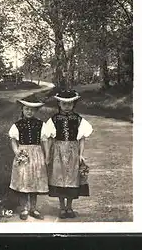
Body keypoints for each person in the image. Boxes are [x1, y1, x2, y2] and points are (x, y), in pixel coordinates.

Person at [43, 89, 93, 219]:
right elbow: (49, 138)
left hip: (72, 151)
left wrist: (81, 154)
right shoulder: (54, 119)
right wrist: (48, 155)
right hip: (58, 151)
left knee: (72, 178)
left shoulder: (78, 119)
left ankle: (69, 207)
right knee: (59, 177)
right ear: (59, 104)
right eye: (64, 104)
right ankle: (61, 207)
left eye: (70, 104)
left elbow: (82, 138)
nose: (67, 106)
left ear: (74, 104)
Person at [8, 95, 49, 220]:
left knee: (34, 180)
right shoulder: (17, 125)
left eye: (32, 109)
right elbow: (13, 140)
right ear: (23, 110)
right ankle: (24, 208)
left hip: (36, 154)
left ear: (36, 111)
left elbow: (45, 141)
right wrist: (17, 152)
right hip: (23, 155)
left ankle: (33, 208)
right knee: (23, 180)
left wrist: (47, 156)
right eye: (27, 109)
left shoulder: (41, 124)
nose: (29, 112)